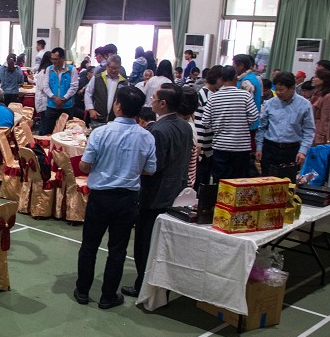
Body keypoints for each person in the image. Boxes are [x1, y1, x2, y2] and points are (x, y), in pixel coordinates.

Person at [73, 86, 157, 311]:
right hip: (127, 199)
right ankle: (107, 296)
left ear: (117, 105)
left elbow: (85, 165)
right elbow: (150, 170)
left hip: (100, 197)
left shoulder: (100, 133)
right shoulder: (146, 137)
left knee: (89, 245)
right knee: (118, 249)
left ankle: (82, 290)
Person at [122, 84, 192, 298]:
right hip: (177, 191)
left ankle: (142, 283)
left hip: (155, 194)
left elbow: (153, 166)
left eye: (154, 98)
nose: (150, 101)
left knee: (145, 242)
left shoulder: (158, 130)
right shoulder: (185, 126)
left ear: (163, 103)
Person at [203, 65, 259, 181]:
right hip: (241, 148)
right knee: (239, 181)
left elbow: (205, 121)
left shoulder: (214, 98)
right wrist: (242, 125)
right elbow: (254, 116)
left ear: (221, 79)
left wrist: (218, 126)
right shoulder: (245, 95)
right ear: (236, 78)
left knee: (221, 181)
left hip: (220, 146)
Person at [83, 54, 124, 127]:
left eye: (116, 68)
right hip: (98, 118)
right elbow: (88, 93)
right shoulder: (97, 78)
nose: (114, 70)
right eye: (112, 68)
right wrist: (91, 109)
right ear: (107, 66)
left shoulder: (123, 82)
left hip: (115, 121)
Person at [309, 69, 330, 146]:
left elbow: (325, 118)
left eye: (316, 77)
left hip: (318, 130)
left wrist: (321, 135)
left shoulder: (328, 96)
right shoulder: (315, 93)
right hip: (310, 127)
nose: (313, 79)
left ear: (323, 80)